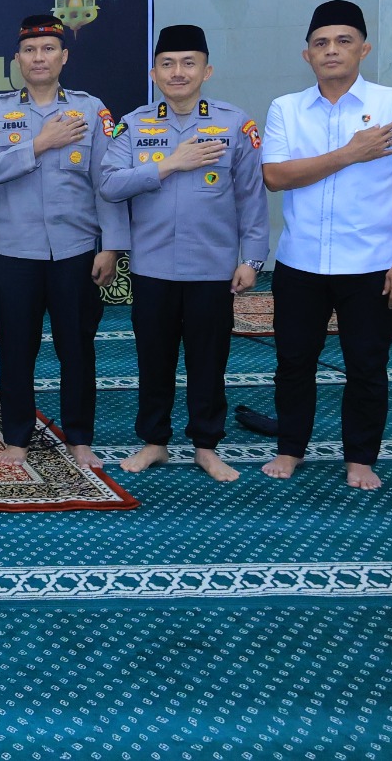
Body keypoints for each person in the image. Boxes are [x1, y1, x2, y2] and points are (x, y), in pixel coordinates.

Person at [259, 0, 392, 490]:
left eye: (343, 41)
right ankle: (290, 448)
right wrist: (351, 153)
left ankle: (360, 458)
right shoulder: (286, 108)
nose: (331, 50)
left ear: (364, 49)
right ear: (307, 55)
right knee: (293, 362)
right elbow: (275, 177)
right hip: (300, 262)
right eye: (321, 43)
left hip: (374, 264)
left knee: (366, 365)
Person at [98, 25, 269, 482]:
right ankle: (154, 442)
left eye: (189, 63)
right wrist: (169, 163)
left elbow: (252, 198)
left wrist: (251, 259)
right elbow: (109, 184)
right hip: (152, 268)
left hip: (212, 269)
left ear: (206, 71)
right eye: (168, 64)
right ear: (153, 73)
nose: (178, 72)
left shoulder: (234, 124)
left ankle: (206, 446)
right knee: (153, 360)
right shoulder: (134, 124)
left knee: (208, 362)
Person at [0, 14, 129, 470]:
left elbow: (107, 182)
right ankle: (17, 438)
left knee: (77, 348)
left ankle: (79, 438)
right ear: (17, 59)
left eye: (48, 49)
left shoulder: (90, 110)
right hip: (14, 251)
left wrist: (111, 245)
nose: (38, 58)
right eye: (30, 50)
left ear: (64, 56)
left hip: (75, 250)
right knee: (15, 349)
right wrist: (37, 145)